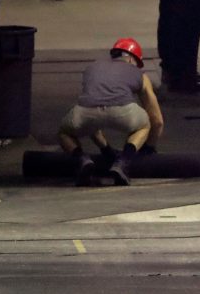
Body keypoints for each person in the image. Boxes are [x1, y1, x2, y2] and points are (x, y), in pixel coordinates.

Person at [59, 38, 164, 186]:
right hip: (123, 111)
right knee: (144, 124)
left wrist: (106, 151)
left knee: (65, 131)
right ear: (130, 59)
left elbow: (95, 111)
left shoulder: (93, 68)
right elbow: (157, 120)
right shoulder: (139, 74)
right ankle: (123, 163)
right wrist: (148, 148)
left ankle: (82, 160)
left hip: (84, 112)